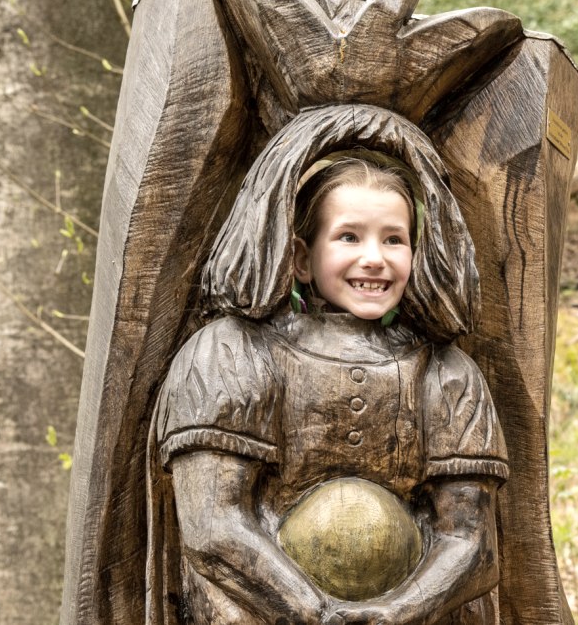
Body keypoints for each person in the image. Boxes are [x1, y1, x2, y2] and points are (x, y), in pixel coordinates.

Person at [153, 153, 506, 624]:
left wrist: (396, 613)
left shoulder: (447, 373)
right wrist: (317, 614)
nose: (374, 258)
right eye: (348, 236)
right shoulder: (231, 352)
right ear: (301, 257)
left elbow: (471, 542)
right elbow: (213, 527)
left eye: (394, 240)